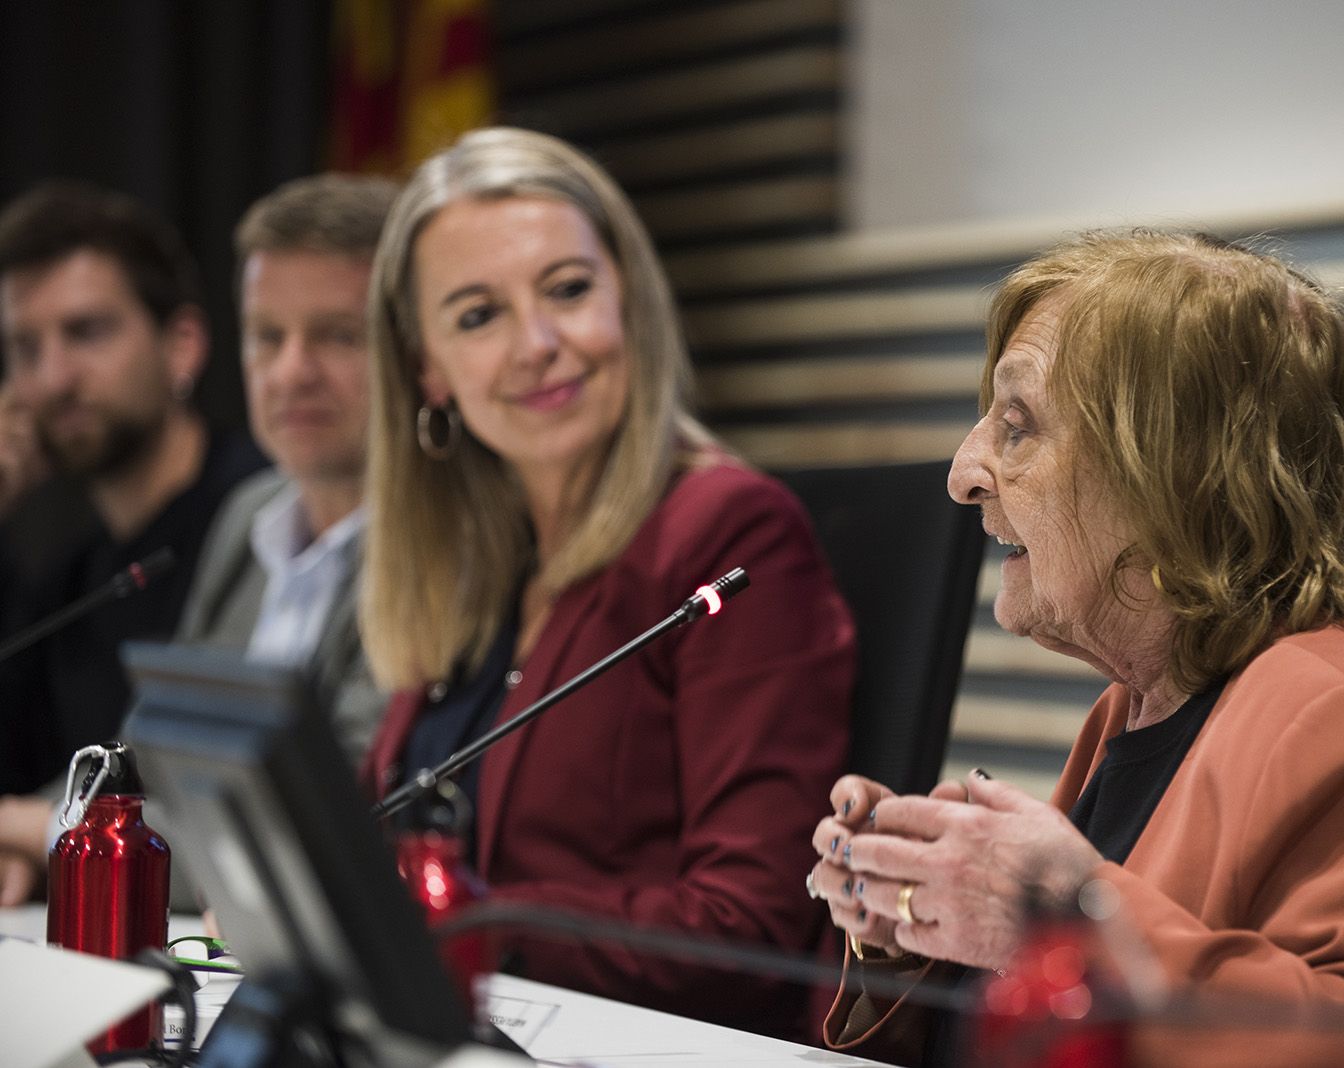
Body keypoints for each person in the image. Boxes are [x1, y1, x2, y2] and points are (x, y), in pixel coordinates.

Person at [811, 230, 1344, 1066]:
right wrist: (922, 922)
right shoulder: (1133, 707)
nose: (964, 471)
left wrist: (1073, 908)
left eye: (1016, 425)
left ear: (1176, 473)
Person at [358, 127, 854, 1039]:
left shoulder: (729, 533)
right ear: (426, 368)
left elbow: (749, 930)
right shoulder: (471, 562)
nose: (538, 343)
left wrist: (464, 922)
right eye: (478, 315)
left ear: (627, 294)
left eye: (569, 290)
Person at [0, 183, 265, 897]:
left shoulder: (268, 523)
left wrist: (30, 832)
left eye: (86, 332)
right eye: (25, 348)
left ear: (181, 345)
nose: (52, 379)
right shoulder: (68, 574)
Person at [175, 172, 398, 762]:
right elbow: (159, 749)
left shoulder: (445, 539)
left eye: (338, 336)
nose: (291, 372)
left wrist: (49, 829)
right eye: (268, 336)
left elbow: (346, 790)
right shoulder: (248, 511)